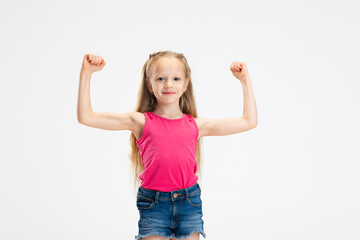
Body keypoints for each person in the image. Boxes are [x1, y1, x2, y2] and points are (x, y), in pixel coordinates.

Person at [77, 50, 258, 240]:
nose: (169, 84)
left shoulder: (196, 125)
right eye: (161, 78)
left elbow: (249, 121)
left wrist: (245, 80)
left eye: (176, 78)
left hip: (189, 202)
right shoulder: (140, 122)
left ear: (186, 83)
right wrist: (86, 74)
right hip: (154, 204)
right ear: (149, 84)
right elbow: (86, 116)